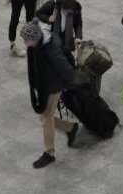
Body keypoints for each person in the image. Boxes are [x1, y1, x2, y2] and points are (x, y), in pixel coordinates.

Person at [20, 19, 80, 168]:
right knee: (45, 117)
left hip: (52, 87)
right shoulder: (38, 45)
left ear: (35, 39)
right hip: (44, 85)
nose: (25, 43)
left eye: (26, 40)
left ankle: (49, 153)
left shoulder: (50, 51)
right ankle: (70, 128)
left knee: (46, 118)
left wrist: (72, 85)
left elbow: (66, 70)